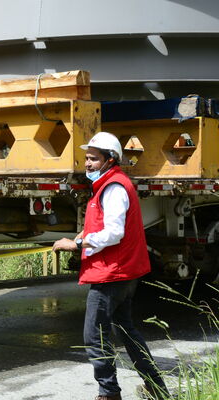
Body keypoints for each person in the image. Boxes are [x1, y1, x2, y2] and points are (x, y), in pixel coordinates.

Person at [52, 132, 170, 400]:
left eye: (94, 158)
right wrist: (80, 237)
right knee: (127, 331)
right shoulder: (109, 185)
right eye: (86, 158)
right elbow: (102, 226)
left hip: (113, 273)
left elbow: (114, 232)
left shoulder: (114, 187)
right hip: (122, 271)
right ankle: (157, 387)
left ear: (110, 159)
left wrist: (77, 246)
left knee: (94, 337)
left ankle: (109, 394)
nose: (88, 163)